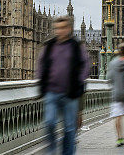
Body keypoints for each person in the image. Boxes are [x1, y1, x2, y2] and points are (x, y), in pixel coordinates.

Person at [37, 15, 90, 155]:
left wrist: (78, 81)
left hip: (70, 93)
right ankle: (52, 151)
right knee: (49, 122)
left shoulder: (77, 46)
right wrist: (42, 82)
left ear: (69, 29)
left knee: (69, 128)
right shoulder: (49, 47)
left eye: (62, 28)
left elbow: (85, 66)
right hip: (51, 91)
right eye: (57, 28)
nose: (59, 31)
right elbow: (41, 66)